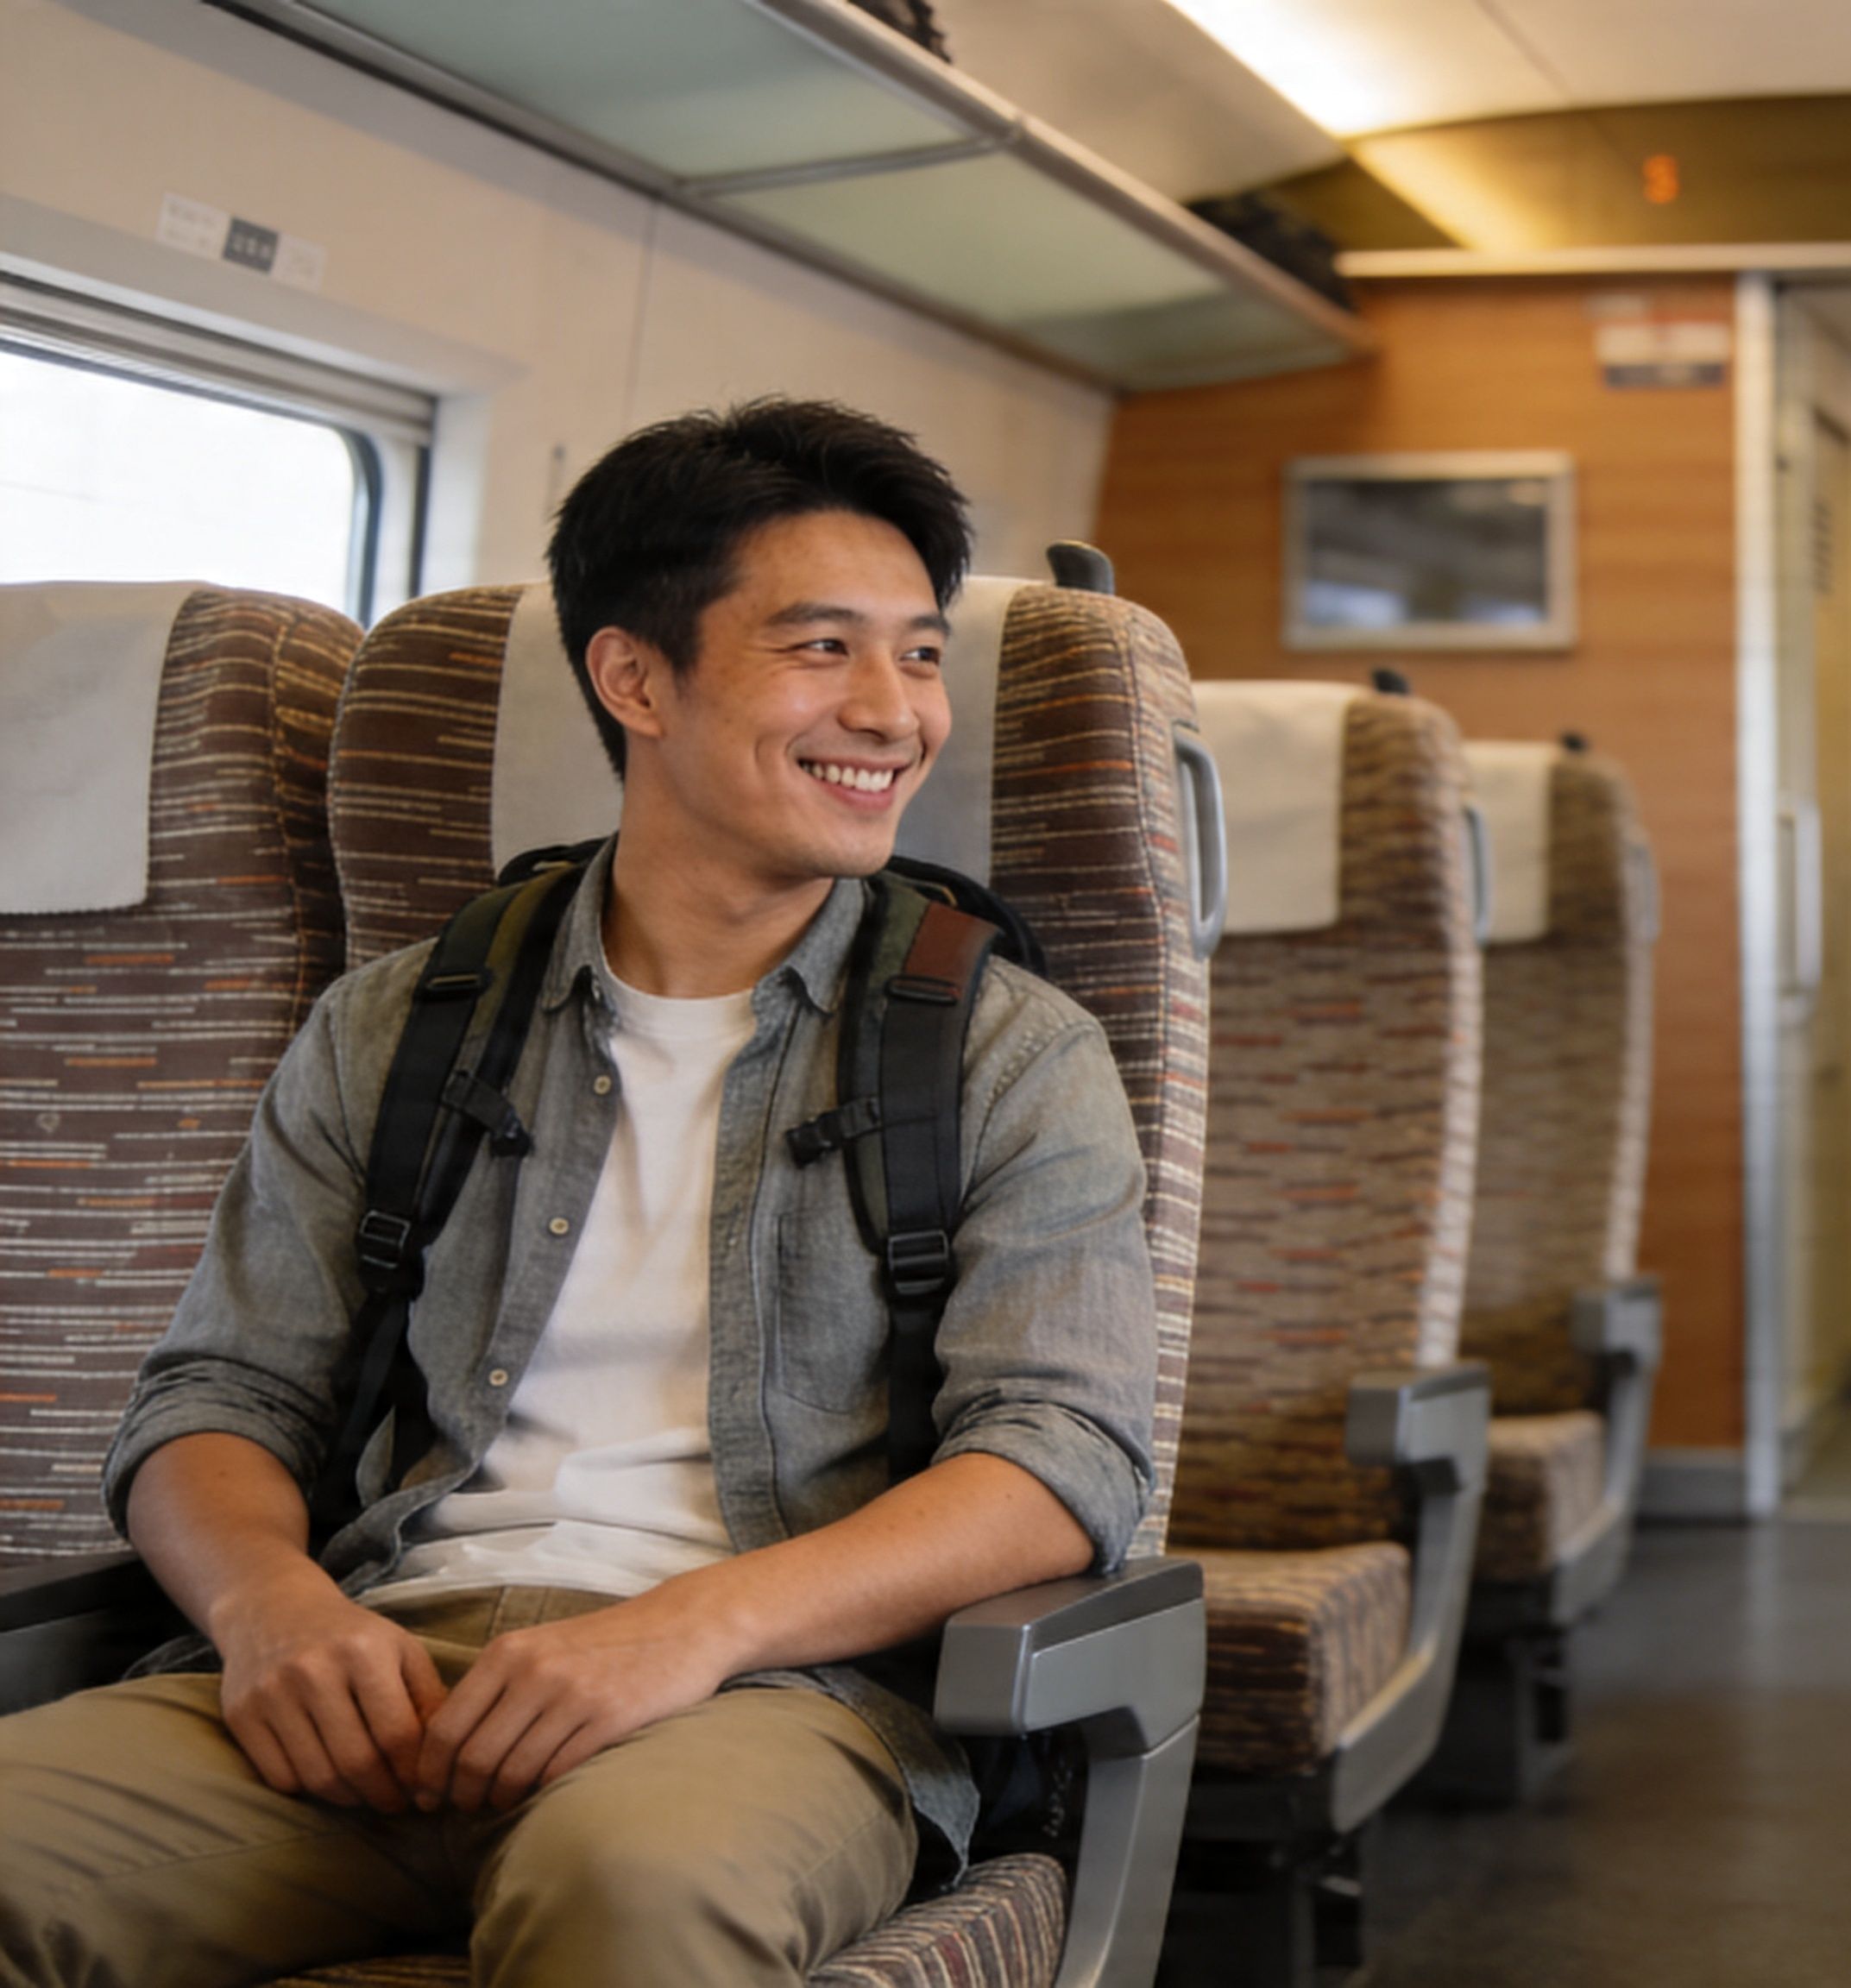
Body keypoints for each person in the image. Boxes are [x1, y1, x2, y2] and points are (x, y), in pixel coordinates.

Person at [0, 399, 1159, 1985]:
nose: (894, 713)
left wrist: (699, 1625)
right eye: (824, 649)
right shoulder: (396, 1025)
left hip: (770, 1698)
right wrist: (272, 1610)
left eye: (921, 655)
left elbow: (1060, 1453)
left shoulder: (1009, 1051)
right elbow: (220, 1393)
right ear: (635, 678)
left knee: (629, 1900)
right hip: (383, 1659)